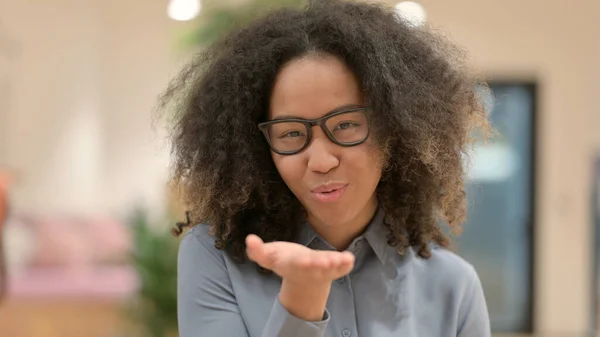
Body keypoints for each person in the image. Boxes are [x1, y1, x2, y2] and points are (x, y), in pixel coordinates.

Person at [162, 1, 492, 336]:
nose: (321, 161)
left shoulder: (454, 287)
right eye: (291, 133)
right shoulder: (215, 257)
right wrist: (300, 300)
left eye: (347, 125)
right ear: (260, 147)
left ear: (394, 129)